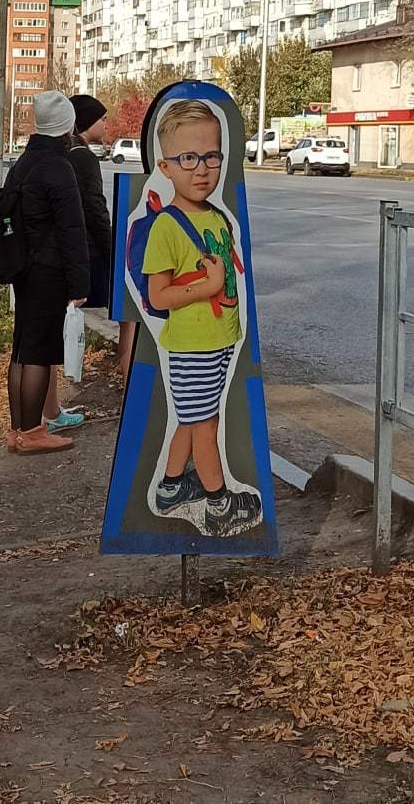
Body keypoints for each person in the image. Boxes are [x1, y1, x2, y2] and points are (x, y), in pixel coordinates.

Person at [141, 100, 261, 536]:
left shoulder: (216, 217)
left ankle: (172, 488)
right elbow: (158, 295)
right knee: (205, 426)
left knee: (194, 420)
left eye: (211, 156)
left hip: (217, 340)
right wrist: (206, 289)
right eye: (188, 158)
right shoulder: (166, 227)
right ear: (165, 166)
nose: (202, 169)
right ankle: (218, 500)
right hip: (190, 345)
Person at [5, 91, 90, 454]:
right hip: (48, 269)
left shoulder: (23, 163)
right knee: (39, 352)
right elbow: (72, 229)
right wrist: (79, 281)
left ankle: (18, 430)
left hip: (23, 267)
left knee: (22, 349)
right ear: (67, 126)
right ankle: (32, 432)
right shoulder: (59, 167)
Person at [43, 95, 115, 433]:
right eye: (102, 119)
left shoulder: (60, 154)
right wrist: (112, 247)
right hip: (80, 252)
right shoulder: (84, 158)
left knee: (47, 335)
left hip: (54, 252)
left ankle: (49, 409)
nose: (107, 124)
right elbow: (95, 209)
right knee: (52, 336)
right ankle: (48, 414)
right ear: (87, 122)